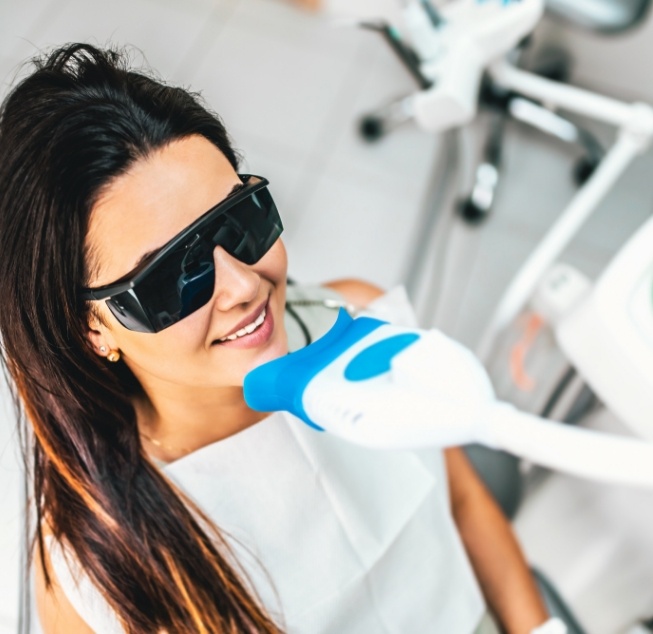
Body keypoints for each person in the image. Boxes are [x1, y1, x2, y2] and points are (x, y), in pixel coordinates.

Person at [0, 43, 551, 633]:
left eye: (239, 220)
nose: (243, 285)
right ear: (92, 328)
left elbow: (463, 503)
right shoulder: (94, 575)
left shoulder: (358, 316)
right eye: (172, 276)